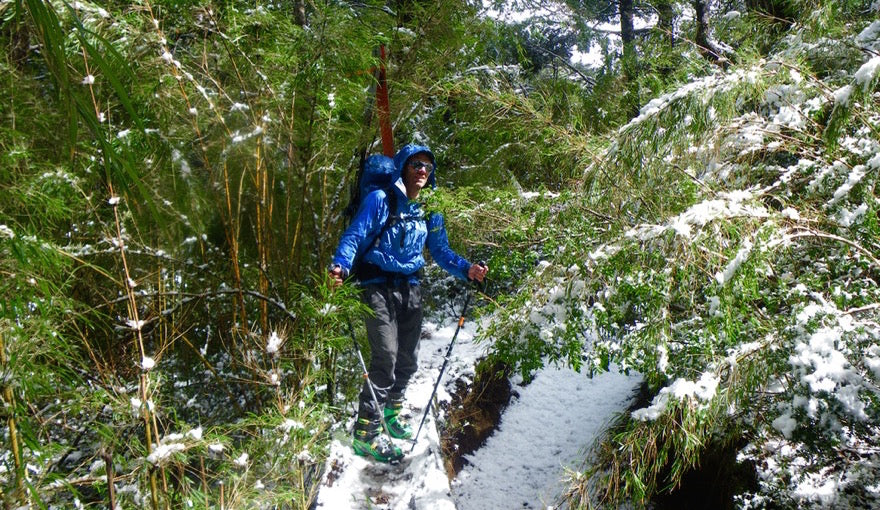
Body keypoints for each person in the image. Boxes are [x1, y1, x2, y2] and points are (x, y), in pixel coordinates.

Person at [328, 144, 488, 463]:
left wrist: (467, 269)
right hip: (376, 284)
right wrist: (340, 266)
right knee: (385, 357)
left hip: (411, 286)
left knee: (408, 359)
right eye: (416, 164)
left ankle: (391, 414)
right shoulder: (380, 199)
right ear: (403, 167)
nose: (422, 170)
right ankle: (365, 435)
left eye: (428, 166)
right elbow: (355, 236)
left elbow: (440, 251)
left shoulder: (430, 209)